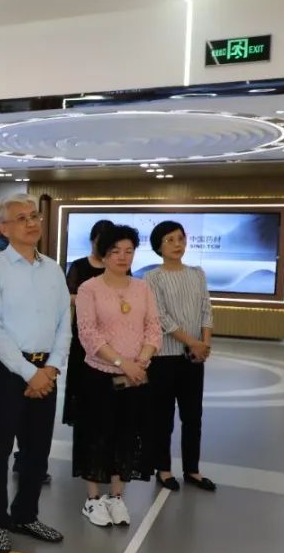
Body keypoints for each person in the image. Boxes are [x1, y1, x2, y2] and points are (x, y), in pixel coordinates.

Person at [0, 195, 71, 553]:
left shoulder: (53, 270)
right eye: (21, 218)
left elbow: (64, 323)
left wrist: (52, 367)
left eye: (35, 217)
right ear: (2, 228)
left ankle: (26, 515)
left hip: (46, 371)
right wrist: (30, 373)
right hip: (3, 372)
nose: (31, 223)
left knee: (36, 451)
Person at [74, 224, 161, 527]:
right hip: (99, 375)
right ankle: (93, 499)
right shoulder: (89, 289)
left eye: (129, 251)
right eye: (115, 252)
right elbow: (88, 334)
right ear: (103, 254)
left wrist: (142, 360)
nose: (123, 257)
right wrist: (124, 363)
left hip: (136, 375)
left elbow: (153, 327)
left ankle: (117, 496)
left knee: (127, 434)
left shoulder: (142, 288)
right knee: (97, 435)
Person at [145, 221, 217, 492]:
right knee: (162, 416)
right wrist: (193, 343)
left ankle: (192, 470)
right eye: (170, 240)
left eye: (181, 238)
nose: (178, 244)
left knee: (193, 416)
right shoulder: (152, 277)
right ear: (158, 247)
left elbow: (206, 310)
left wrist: (204, 345)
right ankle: (163, 469)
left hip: (194, 358)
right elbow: (161, 317)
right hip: (164, 356)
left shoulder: (197, 274)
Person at [63, 219, 114, 426]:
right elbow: (67, 296)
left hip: (112, 333)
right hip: (83, 333)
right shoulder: (79, 265)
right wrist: (91, 298)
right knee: (81, 377)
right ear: (92, 240)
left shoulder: (116, 267)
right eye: (100, 242)